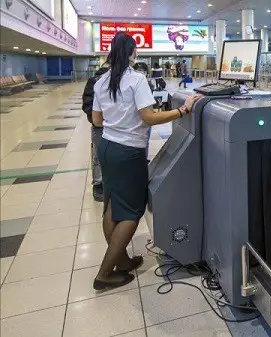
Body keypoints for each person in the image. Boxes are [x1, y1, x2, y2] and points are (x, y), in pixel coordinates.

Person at [91, 32, 203, 290]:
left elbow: (97, 121)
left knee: (112, 204)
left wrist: (117, 121)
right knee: (132, 210)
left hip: (107, 147)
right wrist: (183, 110)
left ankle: (123, 262)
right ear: (133, 53)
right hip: (128, 151)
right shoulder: (135, 79)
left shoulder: (101, 81)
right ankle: (105, 274)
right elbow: (149, 117)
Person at [82, 66, 110, 202]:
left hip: (115, 125)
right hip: (99, 126)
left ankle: (110, 183)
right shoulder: (94, 82)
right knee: (99, 155)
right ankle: (98, 185)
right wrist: (97, 116)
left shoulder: (116, 80)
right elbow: (87, 105)